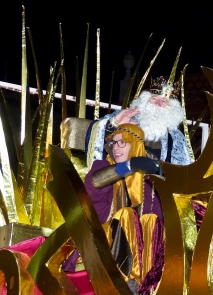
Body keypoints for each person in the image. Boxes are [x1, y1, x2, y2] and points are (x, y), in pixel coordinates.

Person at [63, 123, 165, 294]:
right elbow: (92, 187)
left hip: (147, 256)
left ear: (136, 144)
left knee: (152, 221)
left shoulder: (151, 182)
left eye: (122, 142)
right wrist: (129, 166)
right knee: (126, 215)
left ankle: (146, 284)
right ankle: (122, 283)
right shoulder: (103, 167)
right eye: (113, 143)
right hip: (105, 245)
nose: (115, 147)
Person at [86, 76, 193, 168]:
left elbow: (183, 171)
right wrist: (113, 124)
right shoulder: (126, 116)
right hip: (119, 179)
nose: (157, 104)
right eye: (154, 99)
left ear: (172, 109)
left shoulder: (176, 137)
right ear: (145, 100)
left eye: (164, 101)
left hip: (154, 187)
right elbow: (95, 131)